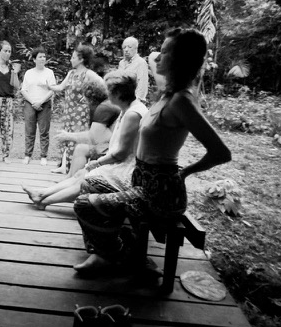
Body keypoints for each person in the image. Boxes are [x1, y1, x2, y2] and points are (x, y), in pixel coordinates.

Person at [72, 27, 232, 275]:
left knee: (84, 205)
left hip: (159, 194)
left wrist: (184, 172)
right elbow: (152, 58)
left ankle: (116, 255)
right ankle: (114, 253)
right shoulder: (168, 92)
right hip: (141, 182)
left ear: (180, 60)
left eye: (165, 52)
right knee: (90, 183)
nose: (156, 57)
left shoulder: (181, 100)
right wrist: (168, 49)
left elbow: (221, 152)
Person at [22, 70, 146, 210]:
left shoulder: (133, 114)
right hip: (117, 163)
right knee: (80, 174)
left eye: (109, 91)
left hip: (126, 169)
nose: (106, 94)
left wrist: (97, 163)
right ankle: (41, 194)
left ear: (118, 94)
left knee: (85, 178)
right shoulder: (126, 109)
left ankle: (44, 201)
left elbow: (120, 153)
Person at [53, 72, 120, 176]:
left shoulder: (104, 108)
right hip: (112, 144)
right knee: (81, 148)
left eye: (84, 96)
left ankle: (73, 180)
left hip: (114, 149)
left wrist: (68, 136)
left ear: (92, 96)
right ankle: (69, 179)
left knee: (81, 149)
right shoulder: (106, 104)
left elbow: (93, 138)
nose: (82, 99)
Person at [47, 44, 96, 174]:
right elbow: (61, 87)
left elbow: (101, 87)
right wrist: (49, 86)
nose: (71, 59)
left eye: (73, 57)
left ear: (81, 59)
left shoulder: (88, 74)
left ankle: (75, 169)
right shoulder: (71, 73)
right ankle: (64, 166)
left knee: (77, 137)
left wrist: (88, 98)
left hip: (81, 112)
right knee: (66, 136)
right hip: (68, 111)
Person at [20, 47, 57, 166]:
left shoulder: (49, 72)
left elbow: (52, 90)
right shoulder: (29, 73)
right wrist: (33, 102)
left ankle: (43, 156)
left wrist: (40, 102)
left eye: (44, 57)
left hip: (44, 104)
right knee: (29, 131)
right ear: (34, 59)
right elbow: (23, 90)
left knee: (44, 131)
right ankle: (27, 155)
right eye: (40, 57)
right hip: (30, 104)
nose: (42, 59)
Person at [118, 36, 149, 105]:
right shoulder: (121, 63)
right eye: (124, 47)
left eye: (129, 47)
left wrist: (137, 101)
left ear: (136, 48)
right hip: (121, 101)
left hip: (134, 101)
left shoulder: (141, 63)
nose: (126, 50)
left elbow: (142, 84)